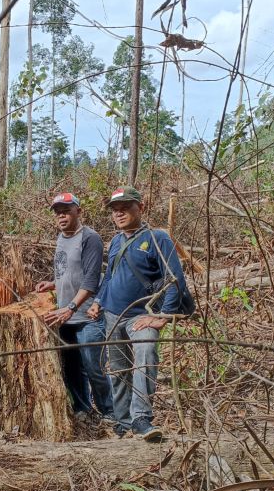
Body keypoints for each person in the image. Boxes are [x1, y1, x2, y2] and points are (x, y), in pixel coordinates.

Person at [88, 186, 189, 441]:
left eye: (125, 207)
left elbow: (174, 278)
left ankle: (141, 417)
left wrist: (164, 315)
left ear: (140, 208)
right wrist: (98, 300)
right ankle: (123, 423)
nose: (119, 213)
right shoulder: (116, 242)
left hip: (141, 315)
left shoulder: (157, 238)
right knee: (119, 370)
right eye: (115, 210)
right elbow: (109, 276)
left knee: (145, 353)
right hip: (112, 315)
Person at [35, 193, 114, 421]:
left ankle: (108, 410)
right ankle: (82, 408)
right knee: (72, 368)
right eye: (58, 212)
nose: (61, 216)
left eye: (66, 211)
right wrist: (53, 282)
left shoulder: (90, 238)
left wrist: (70, 306)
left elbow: (90, 280)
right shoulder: (62, 237)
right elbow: (68, 270)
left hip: (87, 315)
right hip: (65, 316)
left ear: (78, 212)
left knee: (94, 367)